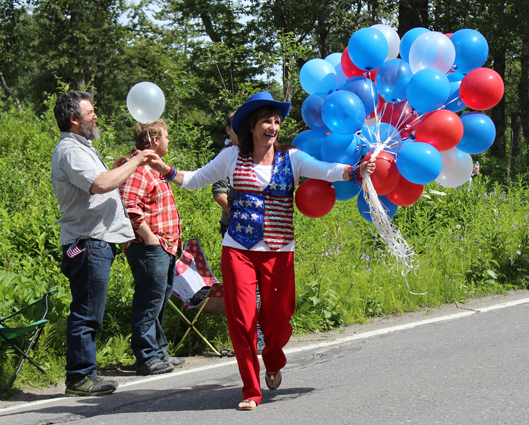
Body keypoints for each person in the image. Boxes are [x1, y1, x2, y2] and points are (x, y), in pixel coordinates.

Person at [145, 91, 376, 410]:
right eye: (267, 120)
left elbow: (325, 170)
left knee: (279, 319)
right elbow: (197, 179)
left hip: (280, 250)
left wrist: (355, 170)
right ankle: (250, 390)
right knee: (241, 318)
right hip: (238, 247)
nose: (273, 126)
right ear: (252, 126)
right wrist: (165, 170)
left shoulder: (292, 157)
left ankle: (273, 357)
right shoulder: (231, 158)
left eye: (277, 121)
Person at [51, 91, 151, 396]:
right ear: (74, 119)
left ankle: (83, 374)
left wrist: (120, 165)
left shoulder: (82, 148)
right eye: (90, 112)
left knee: (89, 308)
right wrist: (136, 162)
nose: (96, 116)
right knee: (86, 310)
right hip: (87, 242)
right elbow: (101, 184)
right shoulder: (71, 150)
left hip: (93, 241)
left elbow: (103, 178)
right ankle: (80, 377)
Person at [119, 119, 186, 376]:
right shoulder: (138, 168)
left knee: (158, 301)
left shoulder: (153, 167)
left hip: (164, 247)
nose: (169, 141)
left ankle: (160, 352)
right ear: (155, 140)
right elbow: (129, 206)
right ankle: (146, 357)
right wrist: (148, 237)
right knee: (148, 302)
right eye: (167, 137)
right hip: (149, 247)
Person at [211, 111, 265, 354]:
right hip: (236, 230)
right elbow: (219, 191)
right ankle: (251, 340)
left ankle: (261, 337)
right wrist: (240, 214)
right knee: (244, 288)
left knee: (261, 286)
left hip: (267, 231)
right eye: (236, 126)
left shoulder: (262, 152)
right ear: (229, 131)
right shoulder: (226, 156)